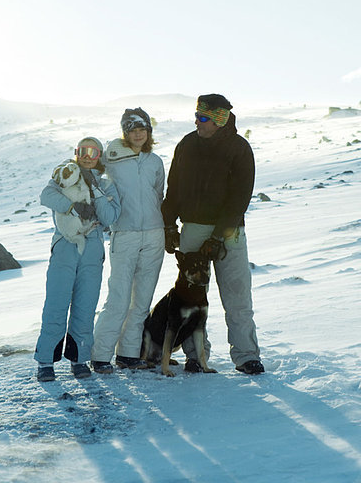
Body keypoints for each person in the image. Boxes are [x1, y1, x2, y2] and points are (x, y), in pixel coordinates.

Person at [161, 94, 264, 375]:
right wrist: (170, 225)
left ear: (219, 120)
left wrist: (218, 236)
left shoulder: (239, 149)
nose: (197, 122)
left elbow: (239, 198)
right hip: (193, 228)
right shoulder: (187, 145)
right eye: (196, 116)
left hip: (229, 232)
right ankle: (195, 355)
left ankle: (246, 356)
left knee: (237, 294)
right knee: (191, 296)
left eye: (203, 118)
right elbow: (174, 188)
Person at [35, 137, 121, 382]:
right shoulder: (65, 174)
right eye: (83, 150)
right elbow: (46, 196)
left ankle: (79, 358)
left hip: (93, 247)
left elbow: (111, 216)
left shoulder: (106, 184)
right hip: (65, 243)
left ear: (99, 156)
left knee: (86, 303)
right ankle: (45, 361)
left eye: (93, 151)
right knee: (57, 301)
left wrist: (95, 189)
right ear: (76, 153)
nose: (87, 155)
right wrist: (72, 206)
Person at [91, 108, 165, 373]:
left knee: (142, 300)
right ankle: (100, 354)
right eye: (133, 129)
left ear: (148, 132)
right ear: (125, 132)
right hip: (125, 234)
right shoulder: (112, 159)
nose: (138, 134)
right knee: (119, 298)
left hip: (155, 234)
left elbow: (159, 193)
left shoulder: (155, 161)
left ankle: (128, 354)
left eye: (142, 129)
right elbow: (91, 177)